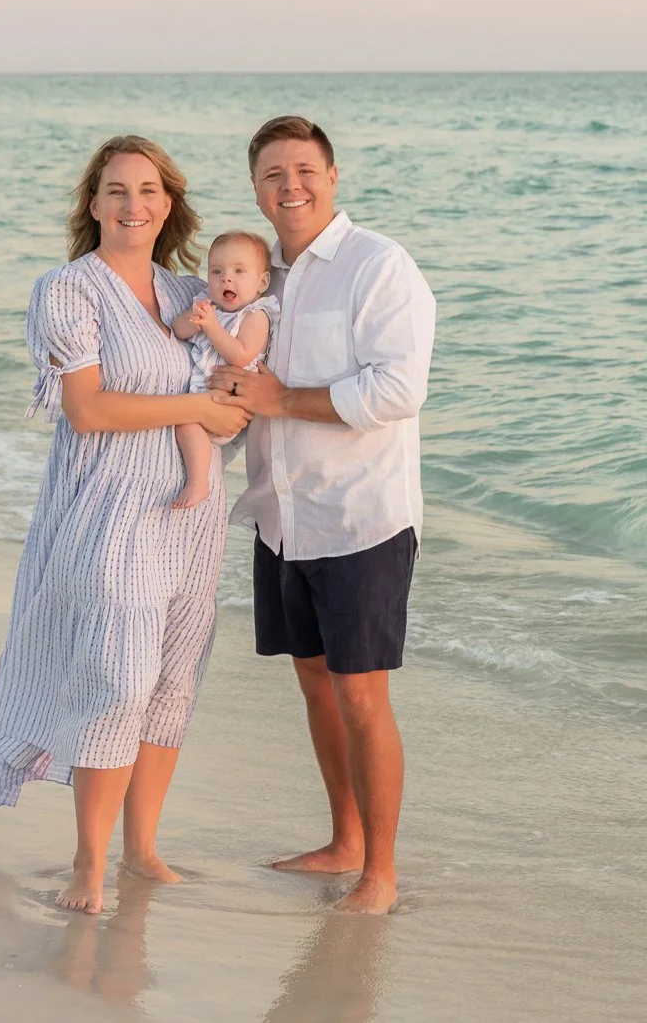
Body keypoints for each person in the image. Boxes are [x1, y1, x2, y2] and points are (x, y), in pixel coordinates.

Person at [0, 135, 250, 917]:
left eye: (150, 190)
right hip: (107, 512)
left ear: (171, 204)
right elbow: (87, 410)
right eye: (118, 190)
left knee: (170, 681)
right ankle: (88, 866)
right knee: (116, 680)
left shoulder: (189, 291)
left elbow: (236, 382)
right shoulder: (68, 290)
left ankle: (143, 850)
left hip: (192, 516)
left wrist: (235, 406)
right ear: (92, 204)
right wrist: (198, 407)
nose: (135, 205)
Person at [214, 116, 436, 916]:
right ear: (256, 188)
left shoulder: (380, 266)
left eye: (304, 170)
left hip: (360, 520)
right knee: (314, 684)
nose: (290, 186)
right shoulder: (261, 275)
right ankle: (343, 840)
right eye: (273, 173)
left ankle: (381, 874)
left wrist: (281, 400)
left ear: (334, 176)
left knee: (362, 695)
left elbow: (397, 391)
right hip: (282, 515)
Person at [167, 230, 279, 511]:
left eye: (239, 271)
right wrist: (196, 319)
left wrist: (212, 326)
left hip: (227, 400)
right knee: (185, 421)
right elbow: (177, 330)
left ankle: (198, 481)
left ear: (262, 281)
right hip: (203, 395)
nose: (226, 278)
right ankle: (198, 476)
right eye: (216, 271)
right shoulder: (208, 306)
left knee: (186, 422)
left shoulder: (255, 315)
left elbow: (241, 356)